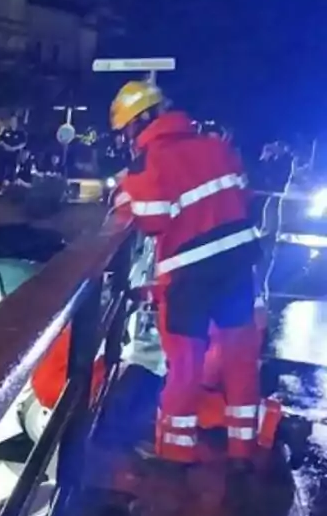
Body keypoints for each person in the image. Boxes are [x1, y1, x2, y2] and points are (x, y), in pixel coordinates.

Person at [109, 80, 262, 470]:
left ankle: (176, 456)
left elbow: (153, 220)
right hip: (237, 266)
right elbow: (242, 195)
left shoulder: (149, 163)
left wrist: (125, 193)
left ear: (141, 121)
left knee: (185, 366)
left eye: (126, 129)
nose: (127, 138)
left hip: (188, 277)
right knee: (240, 359)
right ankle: (243, 451)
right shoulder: (216, 145)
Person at [0, 116, 28, 191]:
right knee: (1, 170)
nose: (12, 123)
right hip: (4, 154)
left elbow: (23, 143)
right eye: (11, 121)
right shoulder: (6, 131)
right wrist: (6, 146)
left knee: (12, 171)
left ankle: (11, 187)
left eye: (14, 121)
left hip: (14, 155)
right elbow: (0, 140)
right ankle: (0, 186)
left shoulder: (21, 132)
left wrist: (14, 148)